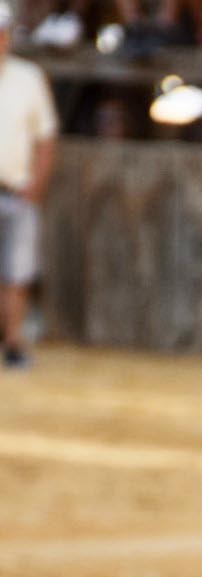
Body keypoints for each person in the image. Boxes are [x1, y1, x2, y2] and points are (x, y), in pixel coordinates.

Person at [0, 1, 55, 370]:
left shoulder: (28, 77)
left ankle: (13, 342)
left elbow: (45, 137)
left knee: (17, 274)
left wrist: (36, 184)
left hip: (15, 189)